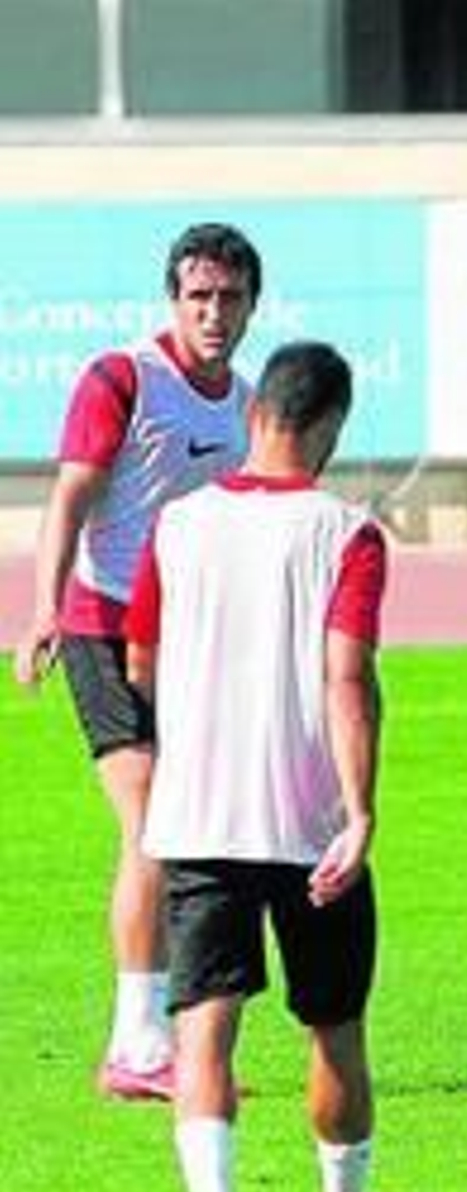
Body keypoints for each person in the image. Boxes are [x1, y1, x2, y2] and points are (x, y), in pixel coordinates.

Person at [124, 340, 400, 1192]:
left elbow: (140, 663)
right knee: (332, 1027)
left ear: (255, 417)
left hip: (197, 816)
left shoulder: (178, 525)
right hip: (307, 822)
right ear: (329, 426)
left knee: (204, 1028)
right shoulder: (347, 533)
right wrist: (359, 811)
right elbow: (345, 676)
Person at [12, 222, 262, 1101]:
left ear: (251, 306)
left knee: (194, 831)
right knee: (153, 823)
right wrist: (41, 606)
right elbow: (71, 494)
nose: (213, 313)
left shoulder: (246, 404)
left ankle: (167, 1033)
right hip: (100, 625)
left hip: (186, 640)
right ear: (173, 302)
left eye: (229, 297)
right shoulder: (122, 379)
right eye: (199, 296)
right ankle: (136, 1043)